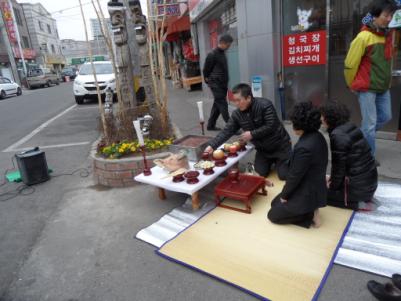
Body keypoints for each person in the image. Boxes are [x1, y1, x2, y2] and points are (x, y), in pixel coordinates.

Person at [344, 0, 397, 157]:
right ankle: (368, 157)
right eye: (386, 15)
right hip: (366, 87)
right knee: (370, 124)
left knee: (386, 116)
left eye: (391, 15)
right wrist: (351, 84)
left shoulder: (387, 36)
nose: (389, 18)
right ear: (374, 16)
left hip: (382, 87)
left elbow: (387, 62)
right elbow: (349, 64)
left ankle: (357, 136)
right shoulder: (363, 37)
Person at [204, 83, 291, 179]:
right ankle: (273, 162)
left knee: (284, 175)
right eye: (234, 100)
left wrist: (252, 134)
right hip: (263, 150)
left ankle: (285, 159)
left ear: (248, 98)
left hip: (280, 146)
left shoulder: (265, 104)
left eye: (238, 100)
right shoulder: (237, 114)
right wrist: (212, 145)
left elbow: (271, 125)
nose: (236, 104)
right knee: (259, 174)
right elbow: (227, 131)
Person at [267, 102, 328, 228]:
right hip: (314, 186)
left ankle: (309, 215)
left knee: (272, 215)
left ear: (299, 125)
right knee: (274, 203)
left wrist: (285, 195)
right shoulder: (317, 136)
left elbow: (295, 176)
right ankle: (309, 209)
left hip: (307, 191)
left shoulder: (304, 147)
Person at [321, 103, 378, 210]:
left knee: (317, 194)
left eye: (322, 116)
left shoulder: (338, 135)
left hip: (358, 191)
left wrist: (332, 187)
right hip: (369, 184)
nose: (321, 118)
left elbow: (338, 168)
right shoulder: (350, 127)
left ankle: (357, 204)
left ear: (329, 118)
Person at [203, 34, 233, 131]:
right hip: (215, 84)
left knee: (217, 105)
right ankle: (231, 127)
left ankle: (210, 126)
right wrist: (208, 81)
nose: (229, 47)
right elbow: (206, 70)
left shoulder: (222, 53)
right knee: (222, 104)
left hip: (222, 84)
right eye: (228, 45)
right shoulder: (212, 54)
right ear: (223, 43)